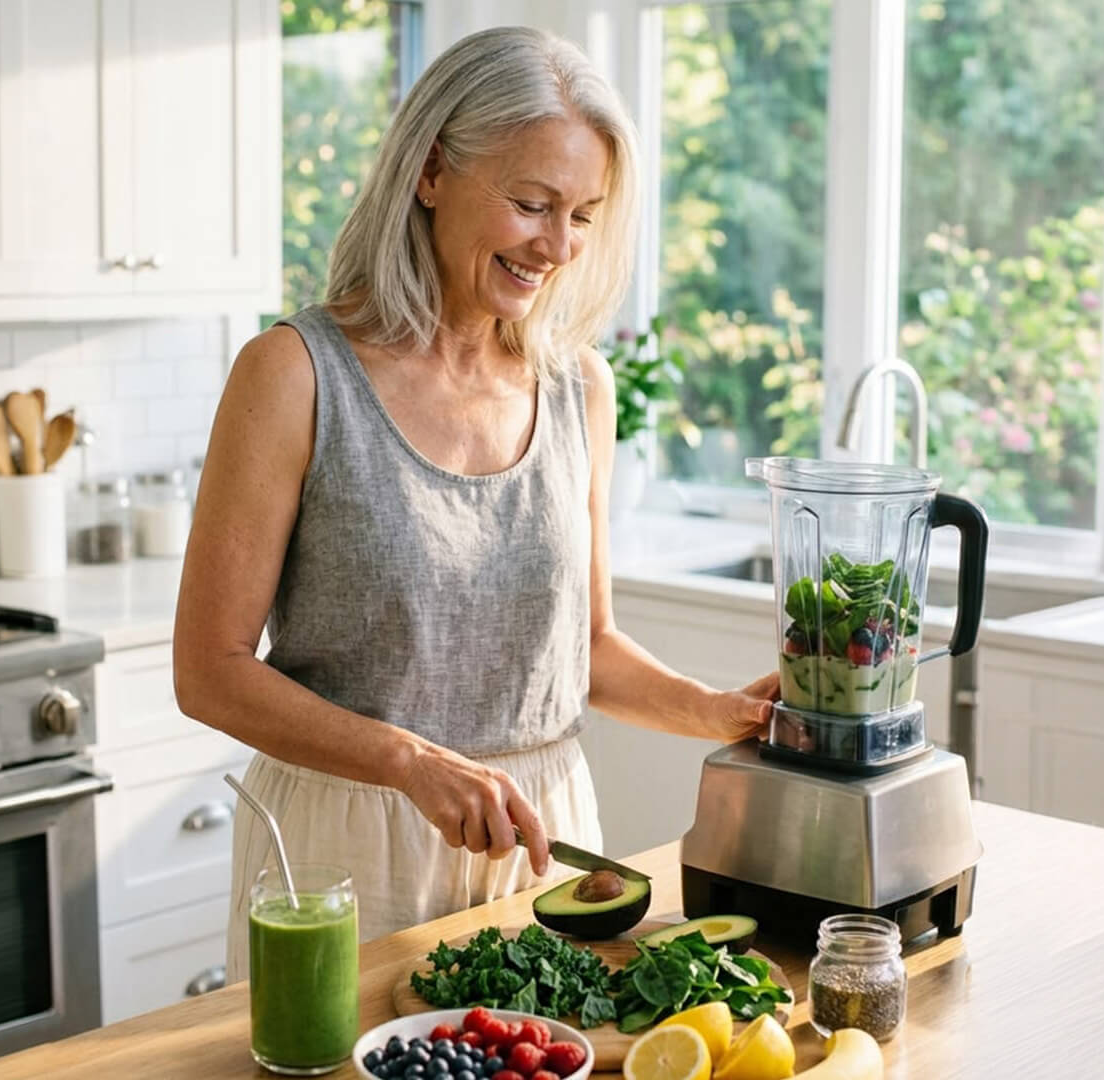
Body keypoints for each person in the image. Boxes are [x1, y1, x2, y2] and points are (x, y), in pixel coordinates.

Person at [171, 25, 778, 979]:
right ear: (430, 173)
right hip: (349, 849)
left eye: (584, 214)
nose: (558, 246)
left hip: (542, 844)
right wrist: (412, 762)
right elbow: (207, 671)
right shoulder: (292, 375)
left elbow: (584, 647)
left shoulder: (580, 386)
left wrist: (717, 712)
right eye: (532, 204)